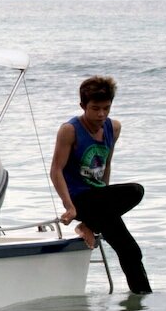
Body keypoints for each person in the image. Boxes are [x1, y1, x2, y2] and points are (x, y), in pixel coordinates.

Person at [50, 76, 151, 293]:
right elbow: (56, 170)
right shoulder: (70, 130)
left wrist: (106, 196)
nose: (101, 114)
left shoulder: (113, 128)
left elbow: (106, 164)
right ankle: (85, 223)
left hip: (99, 201)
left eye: (106, 108)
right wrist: (69, 207)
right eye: (95, 108)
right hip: (79, 199)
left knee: (130, 250)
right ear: (83, 106)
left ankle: (141, 309)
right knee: (135, 191)